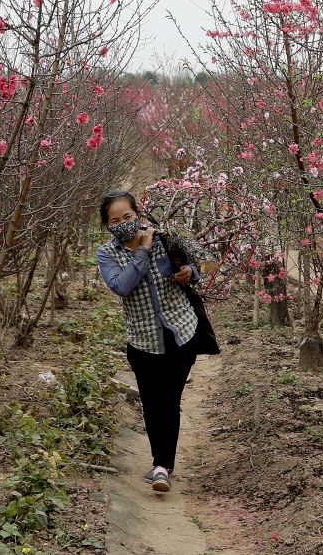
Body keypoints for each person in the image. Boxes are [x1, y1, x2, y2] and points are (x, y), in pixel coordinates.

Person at [96, 190, 203, 493]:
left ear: (137, 214)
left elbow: (194, 267)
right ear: (108, 225)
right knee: (152, 403)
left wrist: (188, 273)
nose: (123, 224)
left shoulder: (166, 240)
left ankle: (161, 466)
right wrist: (142, 251)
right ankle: (163, 464)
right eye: (115, 220)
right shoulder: (107, 254)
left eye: (127, 217)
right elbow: (123, 286)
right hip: (142, 342)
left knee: (168, 400)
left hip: (181, 333)